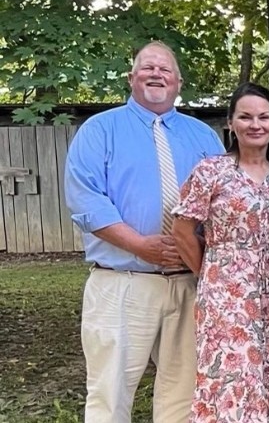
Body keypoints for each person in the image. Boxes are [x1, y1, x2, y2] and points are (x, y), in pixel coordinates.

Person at [65, 41, 224, 423]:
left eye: (165, 69)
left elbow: (224, 202)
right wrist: (140, 245)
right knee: (110, 394)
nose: (156, 74)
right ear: (131, 77)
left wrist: (198, 251)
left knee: (184, 397)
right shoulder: (99, 130)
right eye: (147, 67)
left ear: (179, 81)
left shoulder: (203, 136)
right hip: (124, 282)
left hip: (188, 283)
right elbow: (86, 199)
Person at [171, 83, 269, 422]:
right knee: (233, 376)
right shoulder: (211, 172)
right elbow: (182, 229)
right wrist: (209, 276)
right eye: (245, 117)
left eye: (263, 117)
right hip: (225, 294)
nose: (254, 124)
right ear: (231, 123)